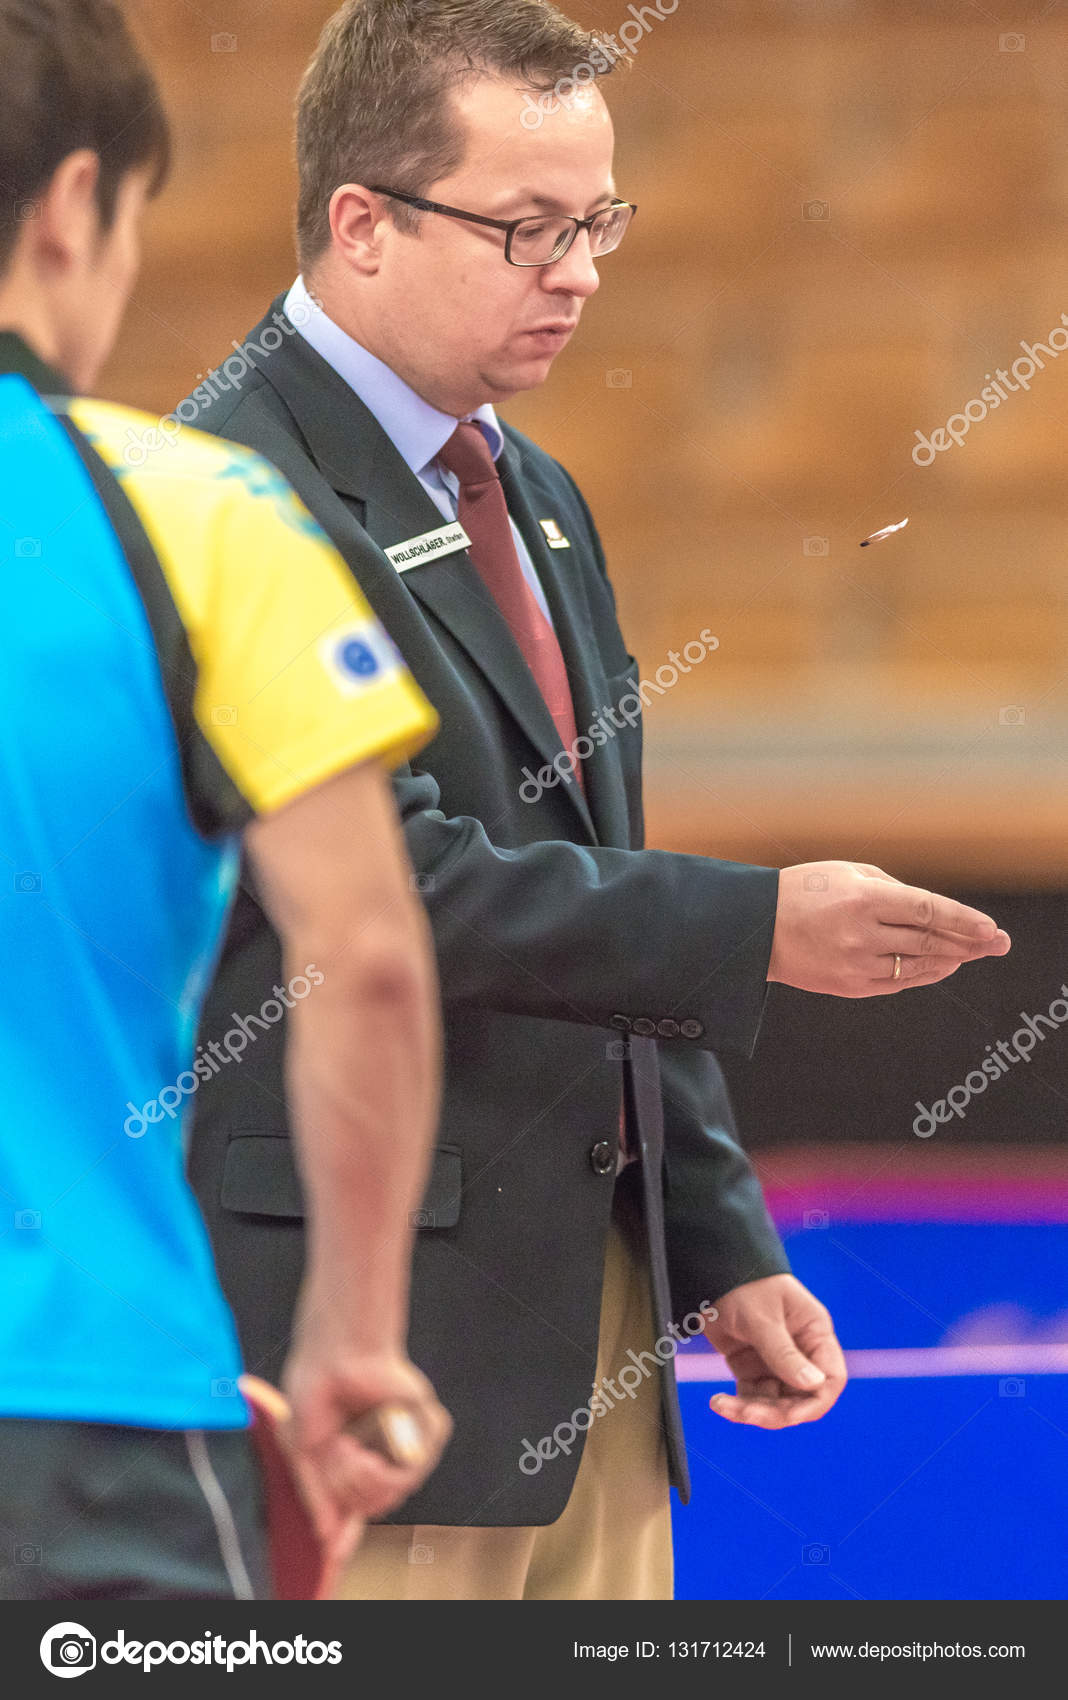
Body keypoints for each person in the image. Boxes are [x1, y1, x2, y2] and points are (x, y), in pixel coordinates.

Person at [180, 0, 1010, 1601]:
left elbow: (592, 874)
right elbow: (390, 886)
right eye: (528, 227)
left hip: (593, 1351)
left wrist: (714, 1235)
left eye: (598, 222)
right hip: (361, 1359)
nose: (579, 270)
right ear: (359, 221)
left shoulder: (537, 491)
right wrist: (758, 922)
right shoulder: (229, 493)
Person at [0, 0, 449, 1602]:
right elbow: (372, 958)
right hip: (85, 1428)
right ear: (71, 207)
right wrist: (352, 1337)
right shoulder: (195, 512)